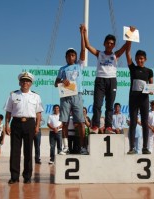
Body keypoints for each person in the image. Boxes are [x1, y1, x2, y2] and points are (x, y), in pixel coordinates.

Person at [82, 24, 132, 134]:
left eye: (112, 43)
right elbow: (87, 45)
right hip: (100, 80)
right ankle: (95, 126)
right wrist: (84, 33)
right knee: (97, 105)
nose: (109, 45)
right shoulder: (99, 53)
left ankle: (108, 127)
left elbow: (126, 45)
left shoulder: (116, 55)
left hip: (112, 80)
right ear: (104, 43)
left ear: (114, 45)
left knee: (110, 106)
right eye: (108, 43)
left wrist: (130, 33)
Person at [4, 72, 44, 184]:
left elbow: (38, 114)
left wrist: (37, 126)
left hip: (30, 124)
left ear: (31, 83)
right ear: (19, 82)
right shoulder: (13, 95)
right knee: (15, 151)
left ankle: (27, 176)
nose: (25, 83)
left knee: (28, 150)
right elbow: (8, 112)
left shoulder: (36, 96)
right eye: (23, 80)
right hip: (16, 123)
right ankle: (14, 176)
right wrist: (6, 124)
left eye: (27, 81)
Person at [54, 25, 88, 155]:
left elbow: (83, 50)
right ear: (65, 57)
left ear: (75, 57)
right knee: (64, 122)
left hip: (77, 95)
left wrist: (82, 34)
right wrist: (62, 81)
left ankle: (83, 147)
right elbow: (55, 83)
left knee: (80, 122)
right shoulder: (62, 69)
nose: (71, 57)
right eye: (68, 55)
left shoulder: (79, 65)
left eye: (73, 55)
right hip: (65, 96)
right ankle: (65, 147)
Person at [125, 32, 154, 154]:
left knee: (145, 123)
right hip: (133, 99)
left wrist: (152, 90)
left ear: (145, 59)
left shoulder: (149, 71)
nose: (140, 60)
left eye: (142, 58)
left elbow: (151, 85)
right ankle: (131, 148)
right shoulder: (133, 68)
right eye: (138, 58)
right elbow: (127, 53)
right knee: (132, 123)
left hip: (144, 100)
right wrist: (130, 37)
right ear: (136, 59)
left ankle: (145, 147)